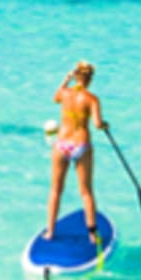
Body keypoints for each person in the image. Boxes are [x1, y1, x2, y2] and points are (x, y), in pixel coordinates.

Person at [47, 61, 109, 247]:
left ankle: (50, 232)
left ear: (76, 76)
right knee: (86, 192)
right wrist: (105, 125)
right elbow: (97, 124)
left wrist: (66, 79)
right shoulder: (92, 99)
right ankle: (92, 235)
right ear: (89, 79)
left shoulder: (65, 93)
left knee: (56, 190)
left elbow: (55, 98)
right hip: (80, 145)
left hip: (61, 144)